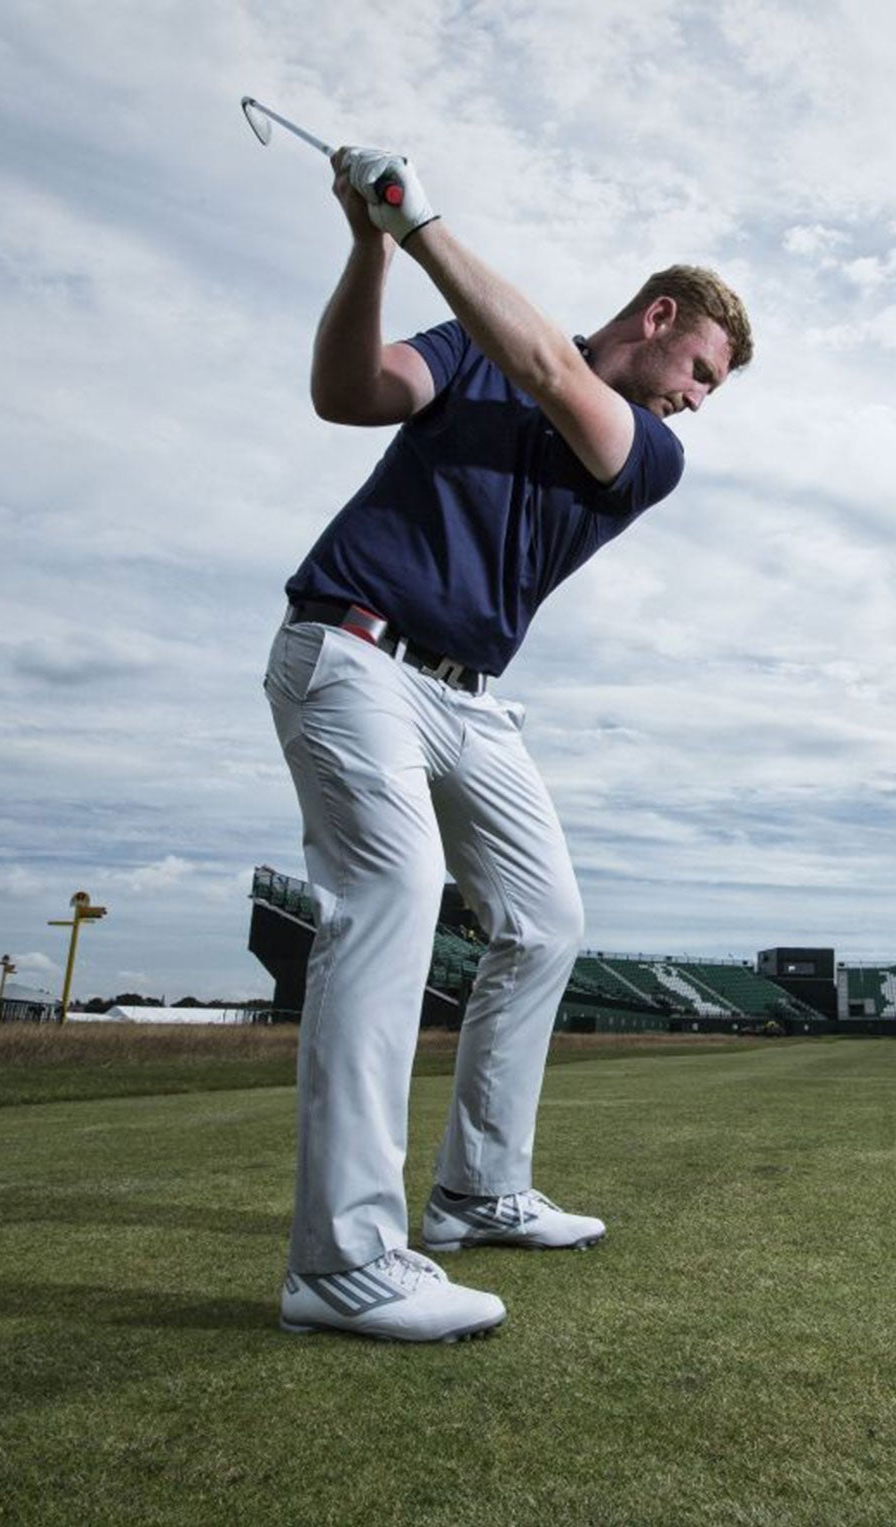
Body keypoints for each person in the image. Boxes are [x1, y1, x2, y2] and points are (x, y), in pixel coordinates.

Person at [266, 145, 751, 1343]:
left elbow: (543, 363)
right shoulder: (465, 346)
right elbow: (347, 392)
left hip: (470, 699)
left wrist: (416, 218)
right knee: (391, 892)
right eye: (699, 369)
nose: (696, 398)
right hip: (352, 655)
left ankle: (477, 1191)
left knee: (545, 922)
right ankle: (341, 1263)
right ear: (657, 317)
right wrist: (369, 246)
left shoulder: (646, 453)